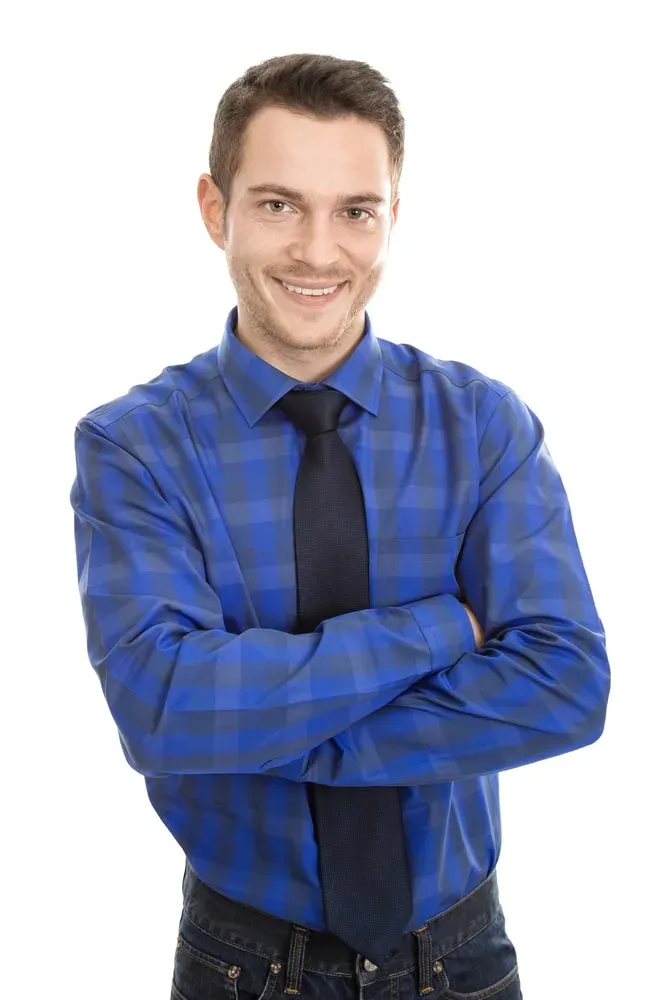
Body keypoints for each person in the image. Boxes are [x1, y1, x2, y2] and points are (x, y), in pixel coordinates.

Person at [70, 52, 610, 999]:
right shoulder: (136, 446)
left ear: (390, 219)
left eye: (354, 211)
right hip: (241, 964)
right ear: (214, 209)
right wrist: (442, 627)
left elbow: (565, 684)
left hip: (462, 957)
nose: (319, 252)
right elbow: (161, 708)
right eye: (279, 204)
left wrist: (266, 731)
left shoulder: (482, 424)